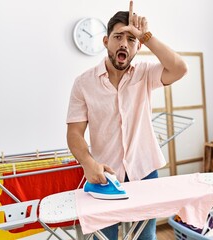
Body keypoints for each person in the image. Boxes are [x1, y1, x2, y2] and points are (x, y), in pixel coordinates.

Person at [66, 1, 188, 239]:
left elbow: (180, 68)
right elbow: (74, 133)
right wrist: (87, 163)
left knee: (145, 237)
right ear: (105, 41)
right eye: (118, 36)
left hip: (145, 171)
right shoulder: (83, 83)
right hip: (105, 176)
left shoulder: (145, 73)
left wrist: (146, 35)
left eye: (131, 39)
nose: (124, 43)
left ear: (138, 46)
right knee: (104, 238)